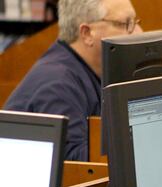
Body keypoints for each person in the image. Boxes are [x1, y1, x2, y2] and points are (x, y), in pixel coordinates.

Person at [4, 0, 141, 161]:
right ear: (87, 33)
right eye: (126, 24)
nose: (139, 32)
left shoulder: (83, 69)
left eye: (136, 22)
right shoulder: (57, 85)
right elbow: (76, 168)